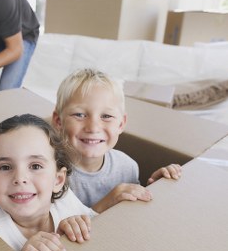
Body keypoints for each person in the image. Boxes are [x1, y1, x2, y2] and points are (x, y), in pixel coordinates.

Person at [52, 68, 183, 213]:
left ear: (121, 124)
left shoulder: (127, 167)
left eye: (106, 116)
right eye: (80, 114)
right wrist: (106, 203)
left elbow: (130, 215)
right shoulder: (50, 175)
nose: (93, 127)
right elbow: (58, 231)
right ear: (59, 122)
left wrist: (153, 187)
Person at [0, 114, 96, 251]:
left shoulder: (64, 199)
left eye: (35, 166)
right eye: (5, 167)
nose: (20, 178)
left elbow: (98, 227)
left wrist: (79, 224)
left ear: (58, 180)